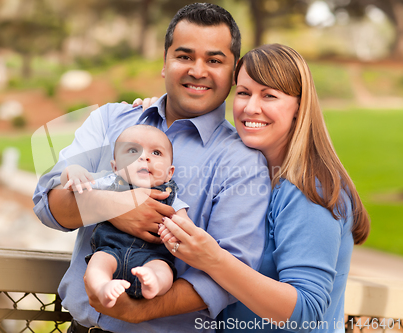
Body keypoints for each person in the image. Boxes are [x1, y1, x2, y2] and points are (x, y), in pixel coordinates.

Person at [32, 3, 270, 333]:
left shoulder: (242, 162)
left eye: (214, 60)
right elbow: (47, 204)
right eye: (184, 56)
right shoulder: (109, 121)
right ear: (165, 62)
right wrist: (116, 206)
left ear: (234, 71)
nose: (197, 70)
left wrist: (139, 311)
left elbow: (231, 274)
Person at [158, 43, 370, 333]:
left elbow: (306, 312)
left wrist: (213, 259)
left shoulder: (309, 190)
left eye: (269, 95)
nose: (250, 107)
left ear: (299, 107)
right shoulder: (251, 177)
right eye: (243, 92)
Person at [61, 125, 189, 308]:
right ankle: (103, 287)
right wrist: (72, 172)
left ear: (169, 172)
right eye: (132, 151)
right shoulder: (109, 183)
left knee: (164, 270)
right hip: (110, 251)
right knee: (97, 265)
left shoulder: (170, 196)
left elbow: (185, 226)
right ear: (115, 167)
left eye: (156, 153)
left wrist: (178, 232)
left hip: (152, 257)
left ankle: (154, 283)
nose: (144, 157)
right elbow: (74, 187)